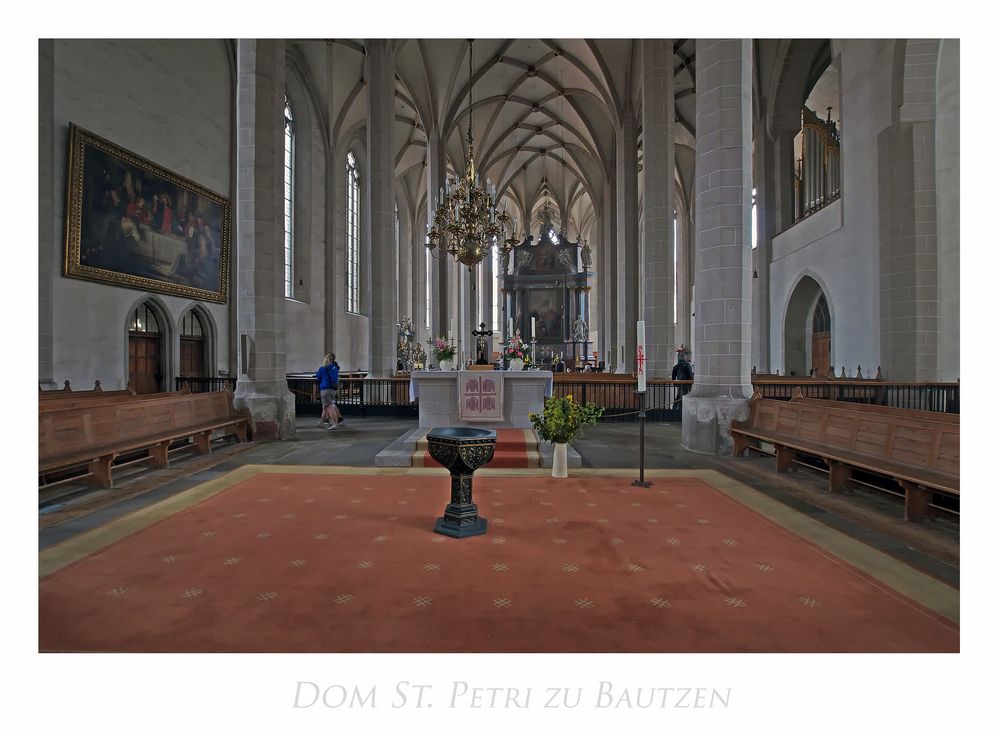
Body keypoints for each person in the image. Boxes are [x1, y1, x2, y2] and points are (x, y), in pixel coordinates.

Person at [315, 353, 343, 429]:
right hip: (333, 389)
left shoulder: (322, 368)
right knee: (325, 406)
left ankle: (335, 424)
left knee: (329, 407)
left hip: (325, 389)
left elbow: (318, 377)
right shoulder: (335, 368)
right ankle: (321, 423)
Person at [671, 345, 694, 411]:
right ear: (685, 358)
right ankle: (682, 410)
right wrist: (691, 382)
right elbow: (690, 374)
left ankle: (674, 410)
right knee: (685, 396)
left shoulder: (676, 366)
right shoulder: (687, 365)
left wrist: (676, 384)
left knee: (679, 396)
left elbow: (673, 378)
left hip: (679, 384)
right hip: (686, 384)